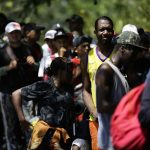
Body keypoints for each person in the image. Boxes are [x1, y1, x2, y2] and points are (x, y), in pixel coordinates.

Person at [96, 29, 148, 150]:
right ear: (123, 48)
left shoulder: (121, 72)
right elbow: (102, 105)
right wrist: (131, 106)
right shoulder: (105, 70)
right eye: (134, 52)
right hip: (108, 142)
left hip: (120, 140)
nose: (135, 57)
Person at [12, 57, 76, 150]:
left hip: (63, 136)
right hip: (45, 135)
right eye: (68, 70)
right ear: (59, 71)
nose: (71, 73)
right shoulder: (45, 86)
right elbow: (16, 94)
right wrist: (21, 119)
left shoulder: (68, 88)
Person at [81, 16, 115, 150]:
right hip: (96, 121)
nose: (105, 32)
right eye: (101, 29)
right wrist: (94, 112)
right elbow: (86, 90)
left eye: (108, 29)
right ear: (95, 32)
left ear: (113, 31)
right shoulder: (86, 58)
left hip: (118, 119)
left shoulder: (120, 54)